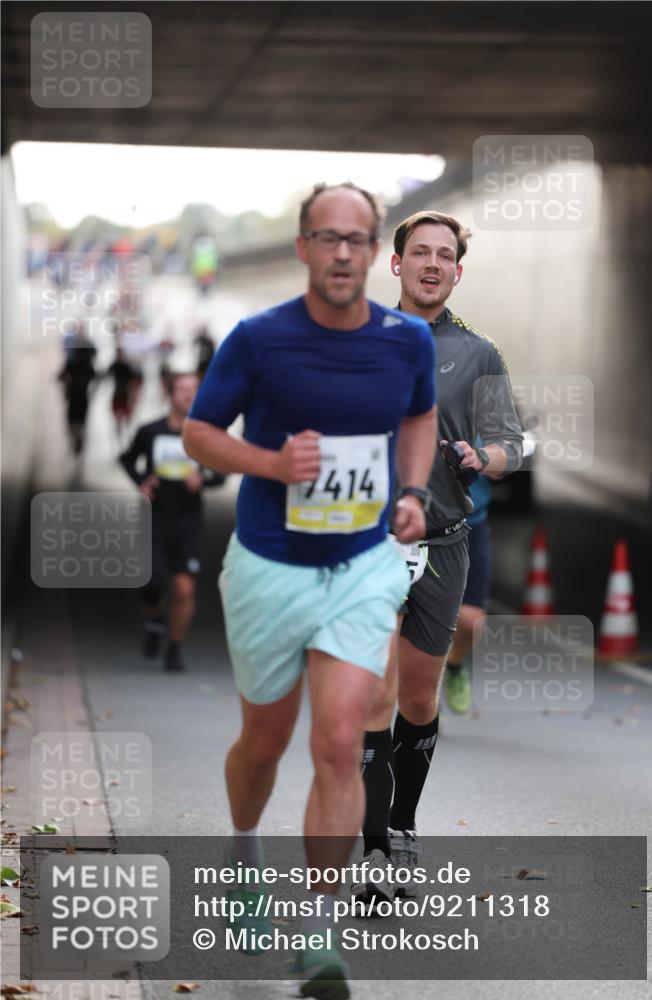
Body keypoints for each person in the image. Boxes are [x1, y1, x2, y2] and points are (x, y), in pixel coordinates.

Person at [183, 182, 437, 999]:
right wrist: (266, 463)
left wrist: (411, 492)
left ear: (372, 252)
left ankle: (320, 936)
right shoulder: (258, 340)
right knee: (264, 741)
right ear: (302, 247)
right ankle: (242, 851)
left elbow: (419, 417)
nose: (340, 253)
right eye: (325, 238)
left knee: (337, 742)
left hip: (361, 566)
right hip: (267, 565)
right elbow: (198, 433)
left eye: (355, 239)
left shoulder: (406, 342)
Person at [357, 210, 524, 901]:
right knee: (374, 691)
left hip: (443, 542)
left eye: (444, 255)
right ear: (394, 264)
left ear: (457, 269)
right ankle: (370, 849)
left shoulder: (478, 352)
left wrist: (479, 456)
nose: (431, 264)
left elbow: (509, 445)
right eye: (418, 252)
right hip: (365, 544)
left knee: (418, 697)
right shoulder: (358, 338)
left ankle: (401, 825)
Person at [119, 371, 225, 673]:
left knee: (183, 588)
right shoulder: (150, 431)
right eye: (182, 389)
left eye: (194, 389)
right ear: (171, 393)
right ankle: (154, 620)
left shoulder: (205, 435)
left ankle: (175, 647)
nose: (188, 395)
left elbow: (220, 473)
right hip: (155, 517)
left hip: (188, 520)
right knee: (151, 582)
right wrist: (142, 481)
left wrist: (202, 479)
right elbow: (126, 458)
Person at [443, 473, 492, 713]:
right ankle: (418, 706)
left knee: (471, 621)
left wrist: (482, 458)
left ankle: (453, 664)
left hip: (469, 523)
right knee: (406, 622)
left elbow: (505, 457)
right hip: (413, 525)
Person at [57, 321, 97, 455]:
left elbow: (62, 374)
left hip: (76, 391)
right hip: (80, 391)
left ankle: (76, 432)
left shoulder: (74, 358)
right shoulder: (83, 357)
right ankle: (76, 432)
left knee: (73, 414)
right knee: (78, 414)